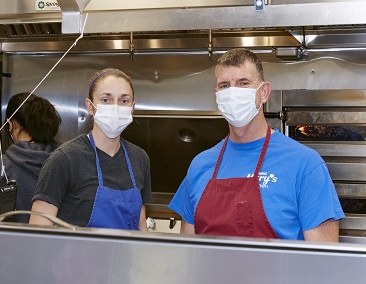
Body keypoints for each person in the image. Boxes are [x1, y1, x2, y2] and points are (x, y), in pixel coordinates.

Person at [168, 48, 344, 242]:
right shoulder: (199, 166)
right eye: (224, 85)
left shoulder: (305, 165)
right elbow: (188, 254)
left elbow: (322, 263)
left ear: (264, 92)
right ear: (217, 95)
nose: (233, 93)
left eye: (243, 83)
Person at [29, 68, 152, 231]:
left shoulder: (140, 158)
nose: (115, 107)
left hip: (124, 256)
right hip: (76, 256)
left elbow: (140, 225)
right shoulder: (64, 159)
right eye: (106, 100)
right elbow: (38, 231)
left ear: (132, 108)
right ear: (90, 106)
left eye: (124, 101)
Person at [2, 92, 61, 223]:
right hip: (60, 242)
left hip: (12, 242)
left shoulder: (3, 166)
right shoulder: (66, 158)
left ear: (12, 125)